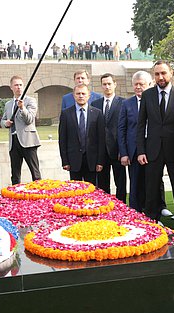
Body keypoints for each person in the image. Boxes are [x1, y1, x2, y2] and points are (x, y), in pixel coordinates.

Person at [137, 60, 174, 239]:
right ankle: (152, 222)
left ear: (171, 73)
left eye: (163, 73)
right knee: (151, 188)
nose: (160, 77)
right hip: (152, 150)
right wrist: (141, 150)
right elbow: (141, 125)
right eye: (157, 74)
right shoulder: (147, 95)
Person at [118, 71, 153, 212]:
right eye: (136, 84)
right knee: (135, 183)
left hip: (151, 149)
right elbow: (121, 129)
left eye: (142, 84)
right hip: (132, 151)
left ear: (149, 85)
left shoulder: (154, 102)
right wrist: (124, 153)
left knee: (151, 183)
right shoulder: (127, 104)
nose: (138, 87)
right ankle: (135, 212)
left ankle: (152, 212)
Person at [58, 84, 106, 182]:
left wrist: (100, 161)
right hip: (73, 161)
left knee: (91, 191)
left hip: (92, 161)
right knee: (76, 192)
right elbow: (62, 139)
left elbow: (101, 139)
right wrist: (65, 161)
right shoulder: (66, 114)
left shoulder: (97, 113)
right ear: (74, 95)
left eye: (83, 93)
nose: (81, 96)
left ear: (89, 96)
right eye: (78, 94)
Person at [1, 75, 42, 185]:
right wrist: (6, 123)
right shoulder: (8, 104)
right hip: (14, 141)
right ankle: (15, 196)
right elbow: (3, 120)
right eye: (16, 85)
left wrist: (22, 108)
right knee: (15, 174)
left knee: (35, 173)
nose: (18, 87)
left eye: (20, 85)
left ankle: (39, 196)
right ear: (11, 87)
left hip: (28, 141)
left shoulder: (30, 101)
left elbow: (29, 119)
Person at [92, 73, 126, 202]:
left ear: (115, 84)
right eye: (104, 84)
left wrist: (123, 151)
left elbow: (125, 128)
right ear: (101, 86)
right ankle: (105, 205)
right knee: (102, 183)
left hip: (117, 150)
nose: (107, 87)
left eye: (109, 84)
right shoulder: (95, 104)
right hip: (101, 152)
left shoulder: (123, 103)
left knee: (121, 182)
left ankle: (121, 205)